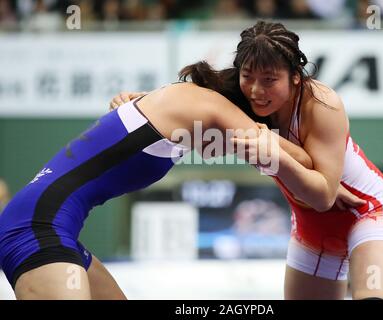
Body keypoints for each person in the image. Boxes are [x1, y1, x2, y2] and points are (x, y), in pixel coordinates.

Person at [113, 20, 383, 300]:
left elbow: (324, 196)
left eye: (269, 80)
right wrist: (139, 102)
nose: (255, 90)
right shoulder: (238, 98)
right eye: (248, 76)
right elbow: (181, 103)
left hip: (366, 212)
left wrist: (273, 151)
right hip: (311, 227)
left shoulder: (322, 103)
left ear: (295, 76)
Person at [0, 78, 360, 300]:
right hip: (36, 231)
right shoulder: (211, 105)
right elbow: (295, 157)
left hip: (48, 228)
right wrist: (331, 179)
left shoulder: (178, 100)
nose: (228, 150)